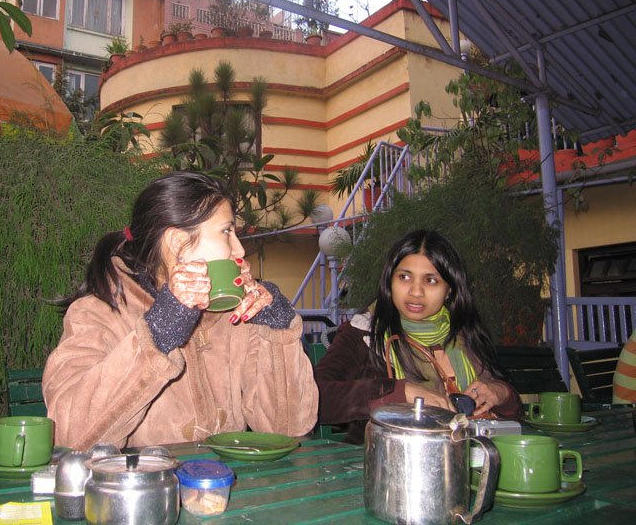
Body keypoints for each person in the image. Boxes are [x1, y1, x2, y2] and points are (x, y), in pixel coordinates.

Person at [43, 171, 318, 450]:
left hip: (225, 486)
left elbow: (288, 430)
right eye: (226, 231)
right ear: (177, 243)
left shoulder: (233, 316)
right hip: (146, 487)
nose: (239, 250)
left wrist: (277, 328)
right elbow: (71, 438)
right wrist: (159, 332)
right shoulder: (98, 313)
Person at [314, 229, 522, 444]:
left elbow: (513, 413)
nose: (415, 292)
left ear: (449, 289)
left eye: (431, 281)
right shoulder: (364, 333)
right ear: (389, 281)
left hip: (467, 456)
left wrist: (500, 392)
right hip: (384, 461)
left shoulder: (463, 333)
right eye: (404, 277)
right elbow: (317, 399)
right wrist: (398, 392)